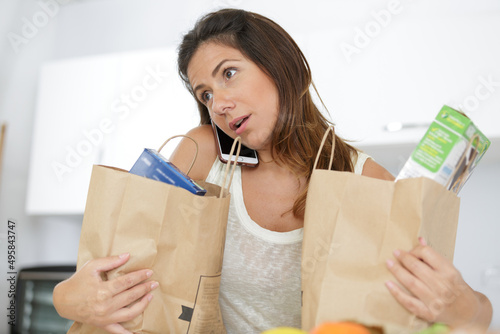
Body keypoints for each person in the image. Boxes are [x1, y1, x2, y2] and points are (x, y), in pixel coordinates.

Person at [53, 8, 493, 334]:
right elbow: (116, 272)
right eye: (205, 94)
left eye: (229, 74)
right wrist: (66, 298)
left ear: (282, 67)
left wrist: (462, 308)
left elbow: (466, 308)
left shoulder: (363, 180)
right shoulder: (204, 155)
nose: (219, 104)